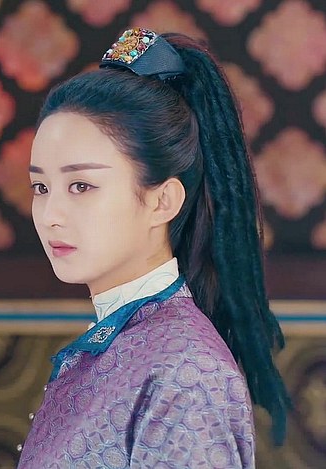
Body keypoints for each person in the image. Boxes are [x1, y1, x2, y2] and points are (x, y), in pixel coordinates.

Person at [19, 28, 290, 468]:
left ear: (162, 201)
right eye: (41, 187)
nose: (50, 214)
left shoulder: (186, 374)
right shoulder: (118, 343)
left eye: (81, 186)